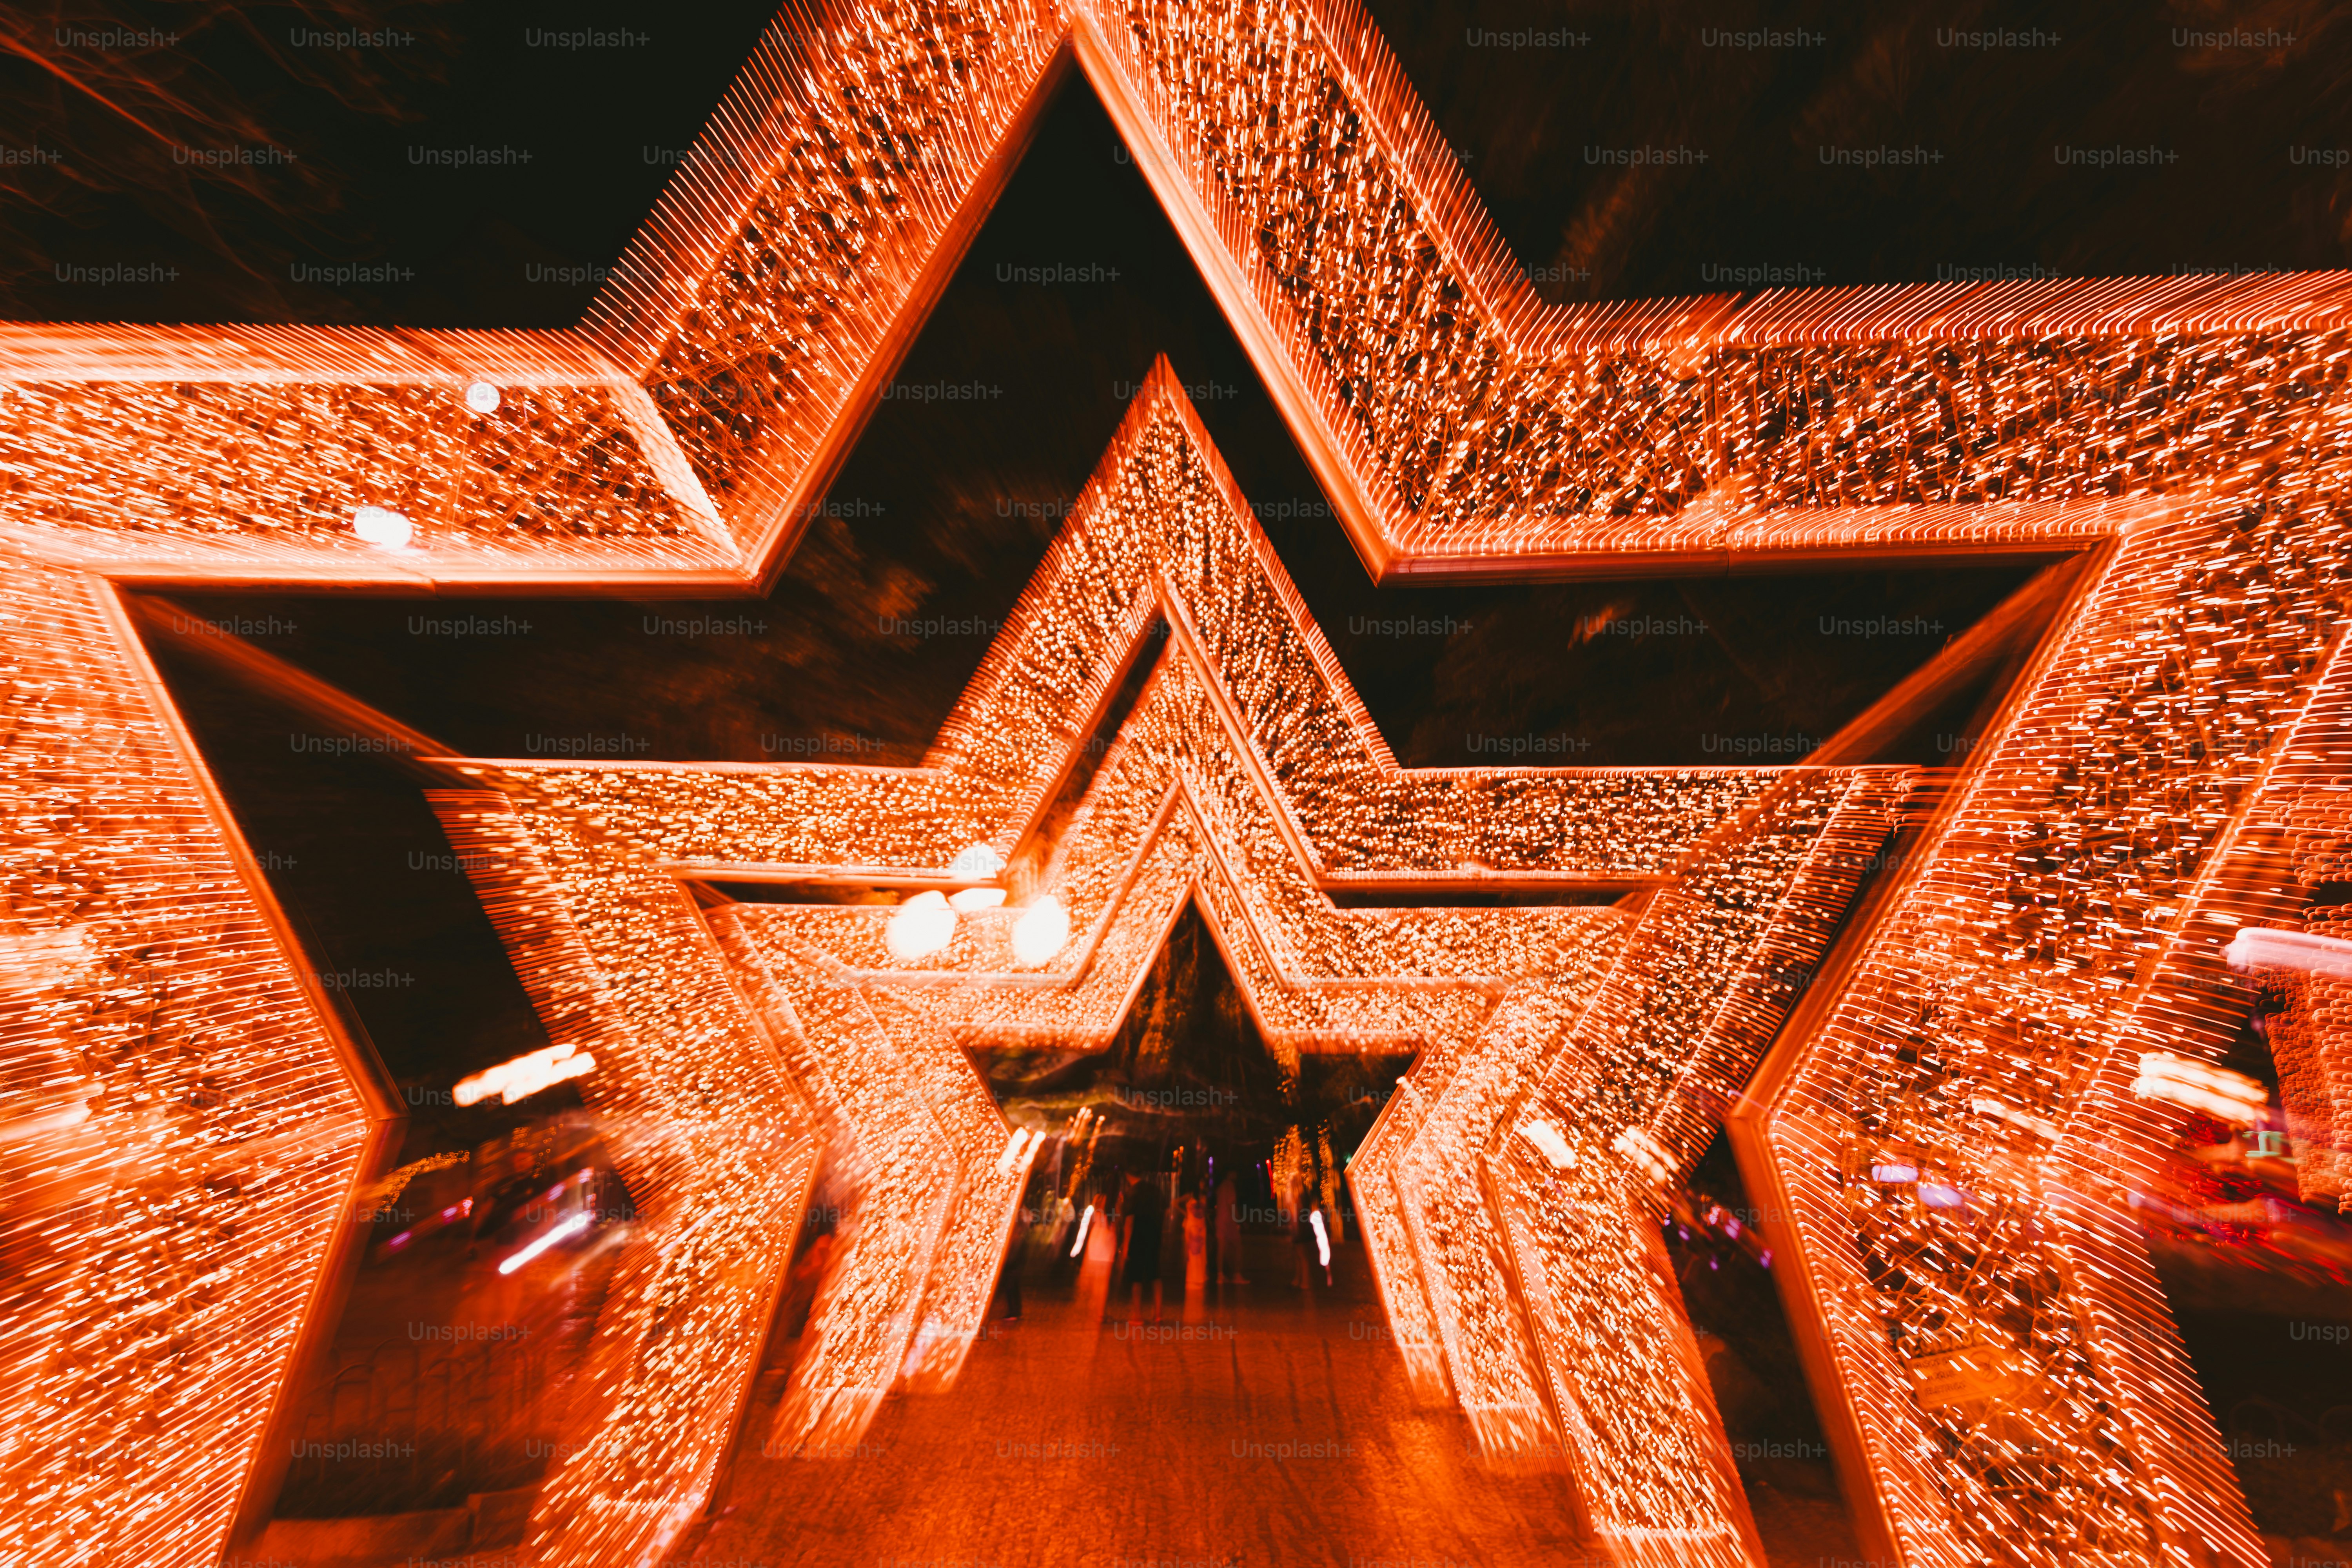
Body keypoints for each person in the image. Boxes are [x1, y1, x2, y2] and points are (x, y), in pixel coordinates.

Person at [1122, 1171, 1165, 1323]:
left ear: (1128, 1176)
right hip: (1154, 1237)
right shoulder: (1155, 1189)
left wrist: (1126, 1245)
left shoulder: (1133, 1193)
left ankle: (1138, 1316)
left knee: (1137, 1278)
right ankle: (1158, 1315)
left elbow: (1130, 1220)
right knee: (1155, 1276)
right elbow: (1164, 1211)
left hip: (1138, 1238)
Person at [1214, 1171, 1246, 1283]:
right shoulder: (1230, 1186)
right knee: (1238, 1247)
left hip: (1220, 1221)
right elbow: (1231, 1204)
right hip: (1229, 1222)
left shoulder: (1220, 1187)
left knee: (1221, 1250)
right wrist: (1240, 1220)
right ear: (1231, 1173)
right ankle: (1237, 1275)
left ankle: (1220, 1275)